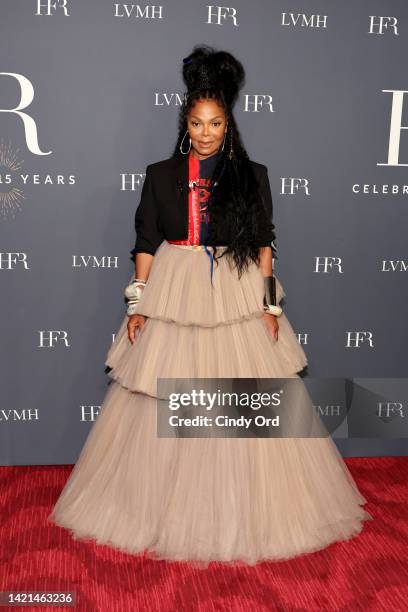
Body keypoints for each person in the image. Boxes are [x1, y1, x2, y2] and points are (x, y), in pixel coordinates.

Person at [48, 45, 372, 568]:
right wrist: (138, 305)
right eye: (197, 123)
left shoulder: (252, 176)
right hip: (174, 294)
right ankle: (156, 509)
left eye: (216, 123)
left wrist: (270, 309)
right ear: (186, 124)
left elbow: (266, 244)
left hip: (238, 293)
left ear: (228, 126)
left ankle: (245, 510)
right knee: (161, 403)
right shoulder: (158, 176)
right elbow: (146, 243)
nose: (206, 132)